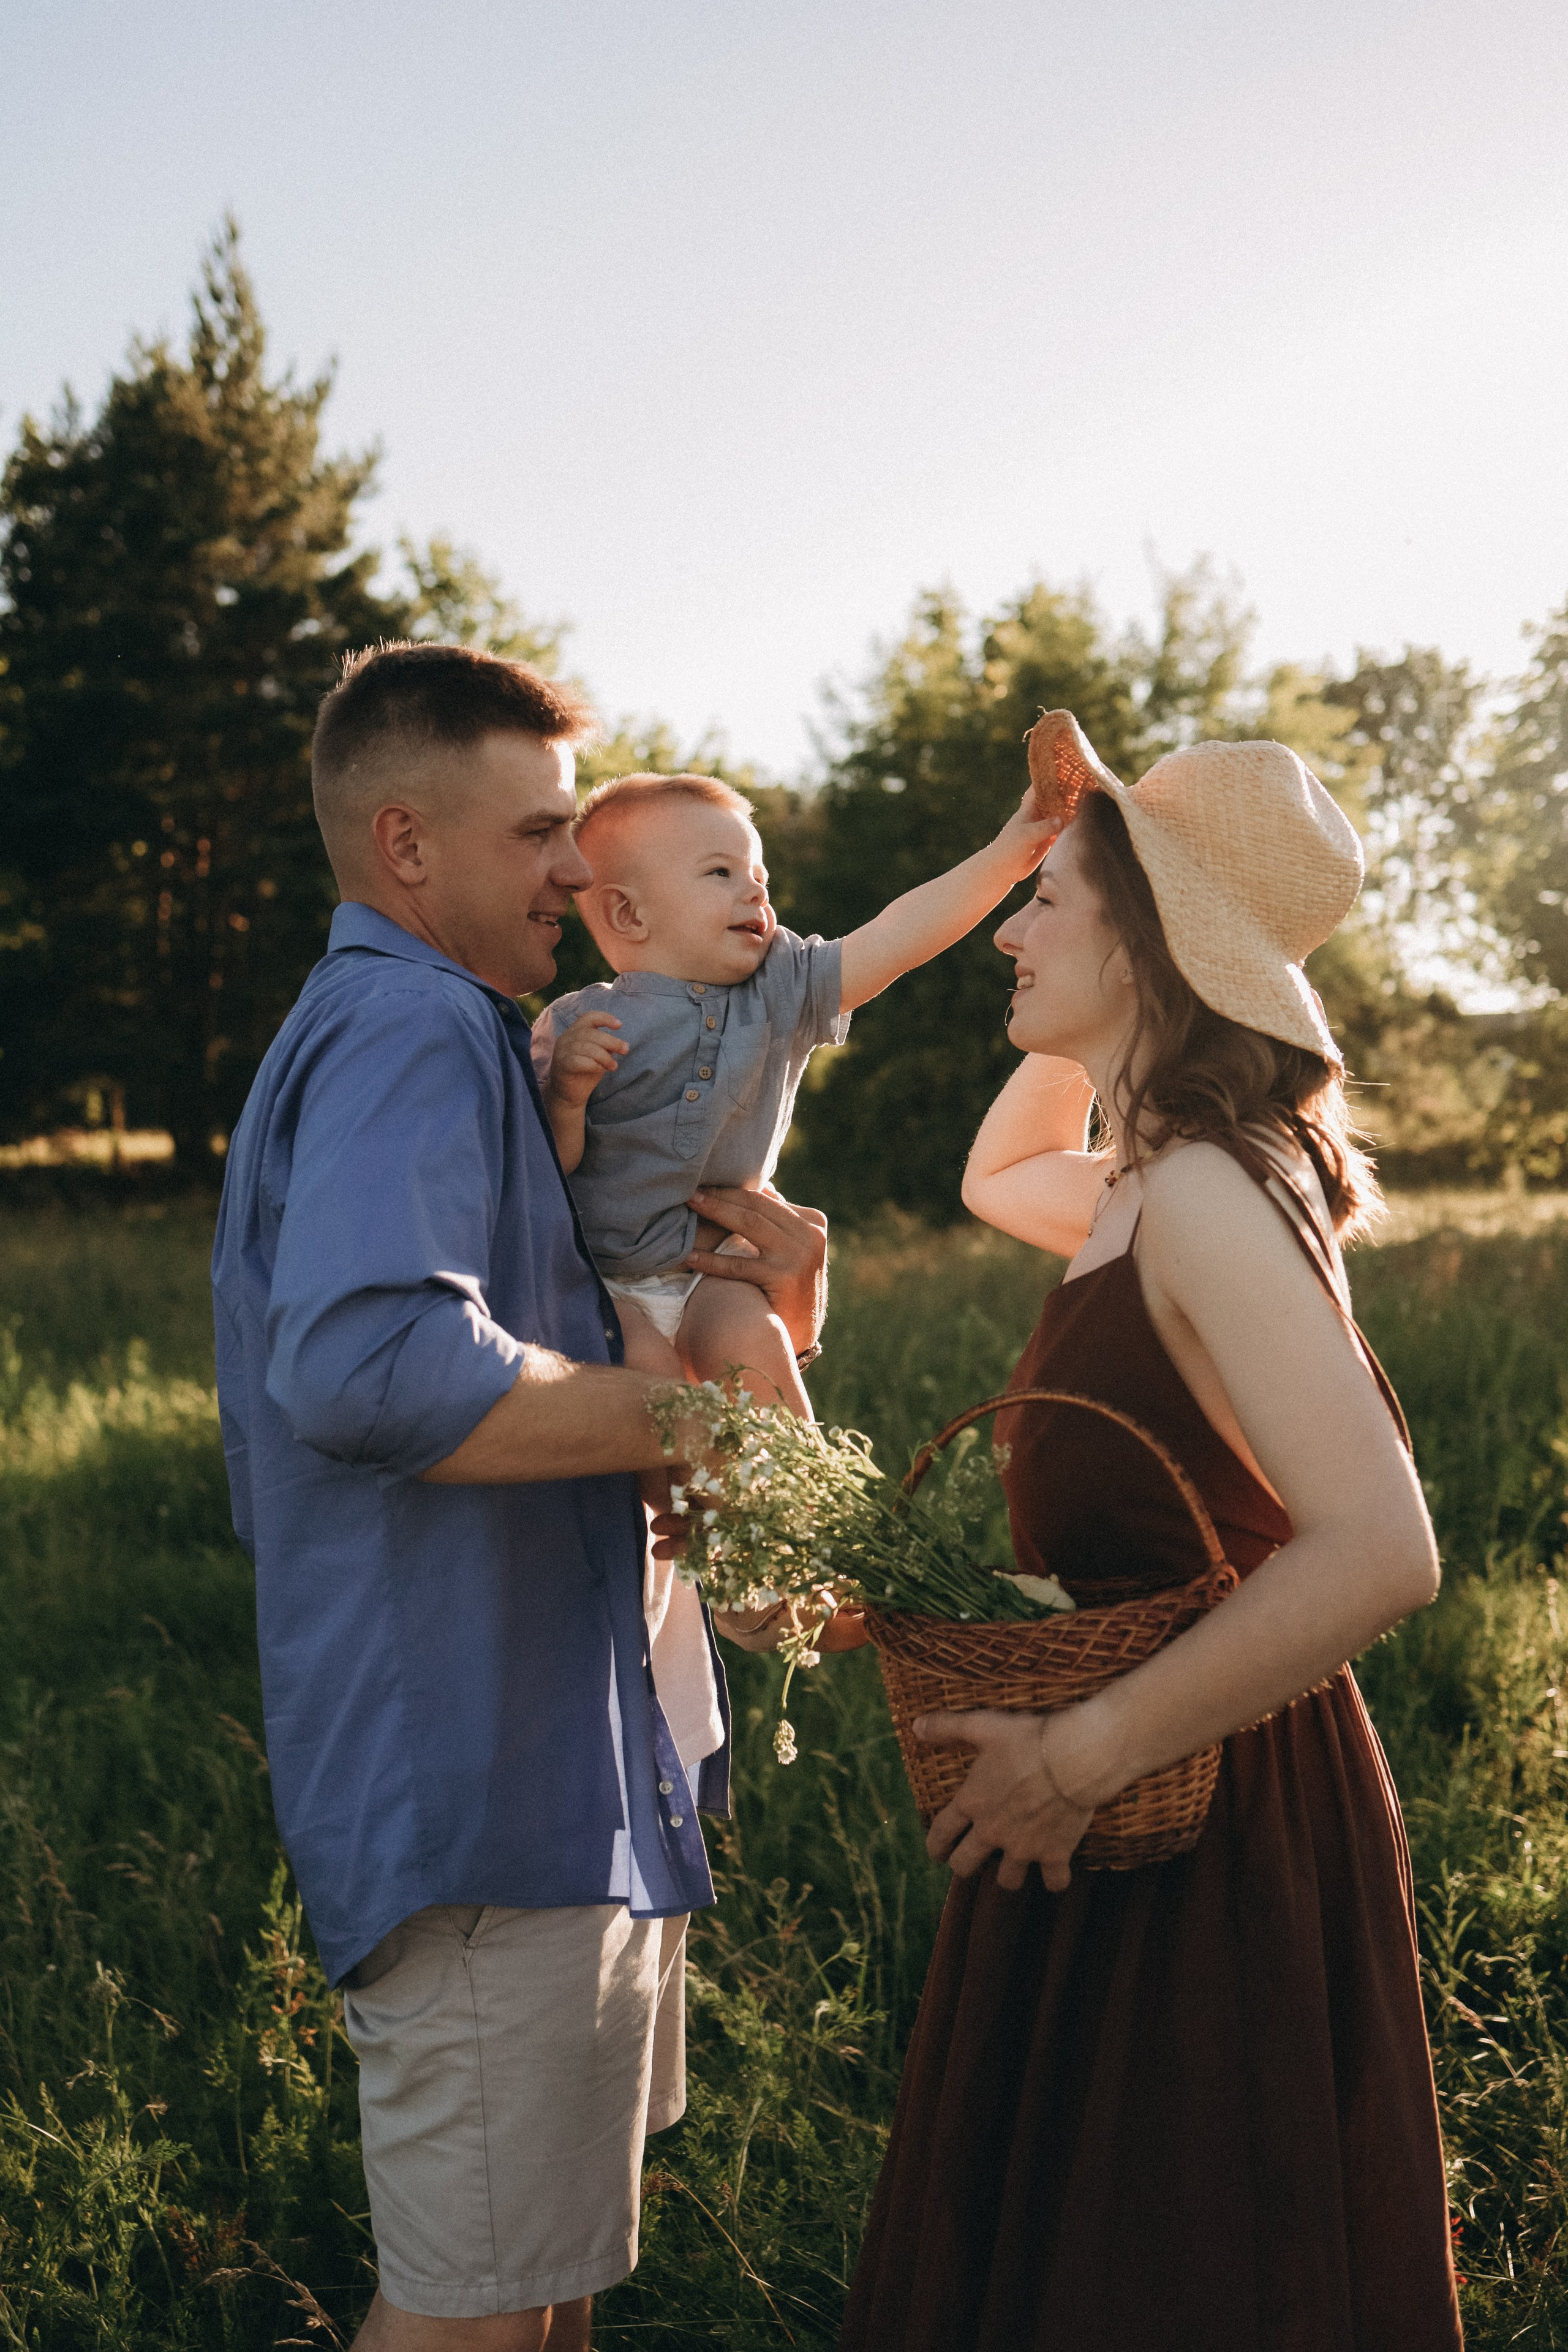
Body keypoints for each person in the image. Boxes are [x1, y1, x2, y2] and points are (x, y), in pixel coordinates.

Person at [210, 641, 829, 2352]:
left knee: (533, 2294)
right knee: (475, 2318)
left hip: (553, 1772)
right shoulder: (408, 1029)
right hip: (479, 1792)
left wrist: (757, 1335)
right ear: (407, 845)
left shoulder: (474, 1042)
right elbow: (370, 1367)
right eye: (543, 830)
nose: (579, 866)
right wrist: (693, 1429)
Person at [841, 714, 1463, 2350]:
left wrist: (1084, 1749)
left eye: (1049, 897)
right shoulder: (1141, 1177)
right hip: (1138, 1803)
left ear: (1156, 937)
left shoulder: (1198, 1197)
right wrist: (1109, 928)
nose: (1009, 928)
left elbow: (1384, 1549)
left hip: (1199, 1810)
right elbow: (1006, 1167)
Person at [529, 769, 1055, 1414]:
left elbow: (894, 938)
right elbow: (543, 1170)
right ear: (628, 913)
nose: (755, 888)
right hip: (604, 1278)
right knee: (655, 1399)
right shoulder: (575, 1025)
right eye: (721, 873)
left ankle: (803, 1507)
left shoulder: (782, 987)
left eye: (760, 876)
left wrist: (1006, 859)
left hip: (711, 1272)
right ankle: (679, 1514)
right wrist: (566, 1096)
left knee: (761, 1352)